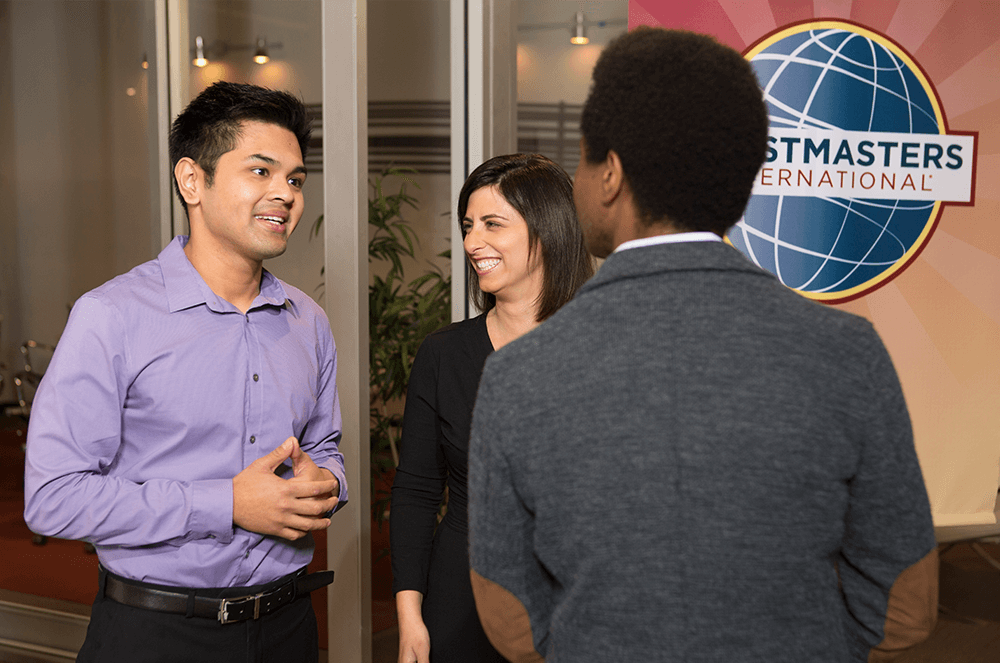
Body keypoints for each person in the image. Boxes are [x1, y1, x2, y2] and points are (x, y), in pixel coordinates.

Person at [467, 27, 938, 663]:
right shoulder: (848, 352)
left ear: (611, 175)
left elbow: (511, 617)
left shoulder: (520, 372)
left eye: (581, 158)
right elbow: (902, 608)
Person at [23, 81, 347, 662]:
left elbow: (327, 450)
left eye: (296, 179)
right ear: (192, 180)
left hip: (288, 626)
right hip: (156, 633)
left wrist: (325, 485)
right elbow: (53, 497)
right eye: (261, 172)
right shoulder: (113, 316)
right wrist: (226, 503)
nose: (286, 195)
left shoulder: (309, 321)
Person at [390, 154, 594, 663]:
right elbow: (416, 493)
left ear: (547, 231)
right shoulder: (444, 355)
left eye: (492, 225)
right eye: (467, 225)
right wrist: (410, 617)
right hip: (460, 598)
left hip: (575, 595)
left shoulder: (602, 351)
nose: (471, 243)